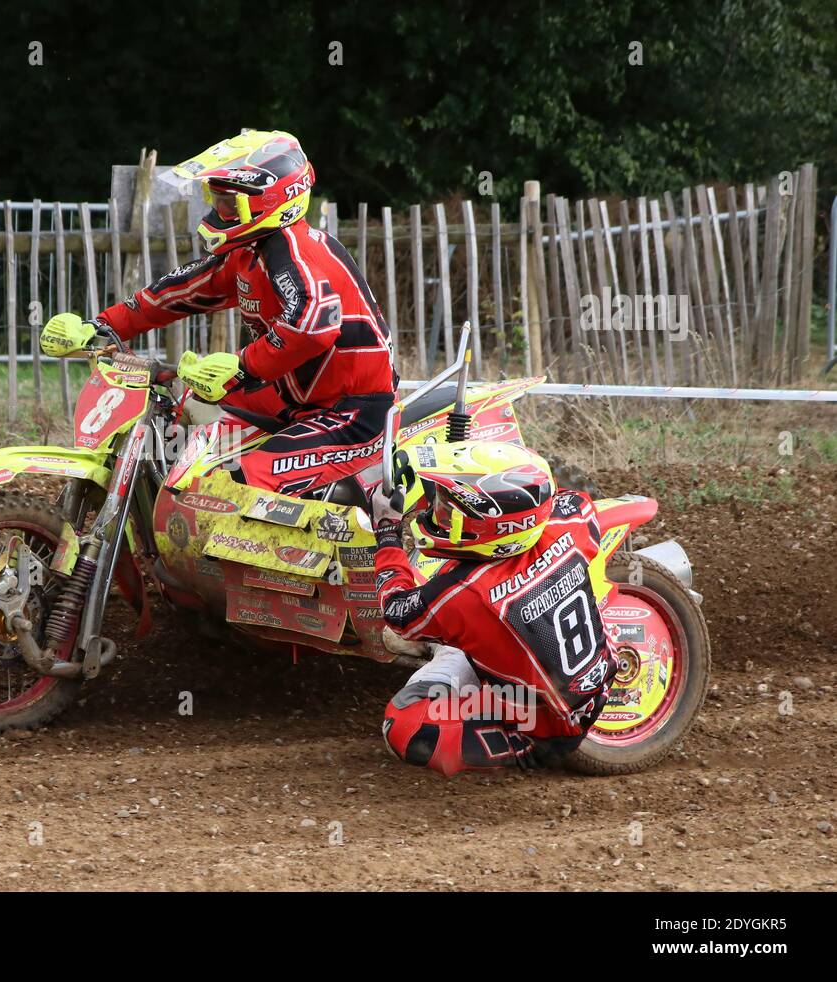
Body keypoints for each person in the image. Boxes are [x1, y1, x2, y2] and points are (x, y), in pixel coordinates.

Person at [39, 130, 396, 496]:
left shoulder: (293, 248)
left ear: (266, 203)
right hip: (291, 397)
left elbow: (313, 323)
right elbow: (177, 292)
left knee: (243, 483)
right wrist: (101, 325)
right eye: (216, 200)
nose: (217, 212)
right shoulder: (248, 253)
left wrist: (243, 366)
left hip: (351, 408)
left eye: (228, 203)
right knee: (181, 410)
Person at [369, 441, 617, 776]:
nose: (438, 515)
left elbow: (396, 611)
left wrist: (386, 532)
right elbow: (570, 501)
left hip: (544, 730)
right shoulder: (572, 518)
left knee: (405, 727)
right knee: (459, 604)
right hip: (595, 681)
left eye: (447, 510)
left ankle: (520, 749)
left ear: (493, 529)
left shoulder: (465, 594)